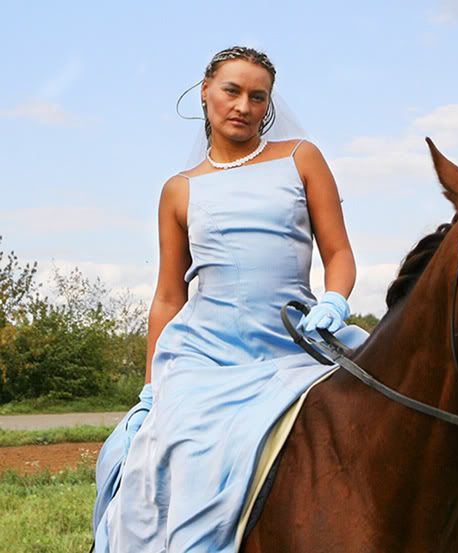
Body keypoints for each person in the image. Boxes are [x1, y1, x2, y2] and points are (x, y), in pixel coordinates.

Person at [91, 46, 368, 552]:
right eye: (232, 91)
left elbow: (339, 252)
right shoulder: (179, 190)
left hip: (296, 342)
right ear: (205, 92)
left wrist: (334, 301)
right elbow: (169, 297)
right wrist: (150, 389)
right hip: (206, 355)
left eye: (257, 97)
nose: (244, 106)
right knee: (163, 449)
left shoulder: (300, 157)